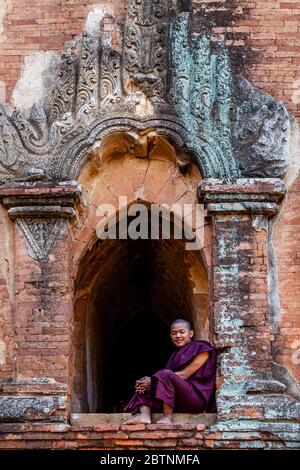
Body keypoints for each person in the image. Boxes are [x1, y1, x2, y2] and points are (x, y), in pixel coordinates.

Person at [123, 318, 217, 424]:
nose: (178, 336)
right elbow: (165, 383)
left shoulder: (201, 347)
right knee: (145, 384)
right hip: (177, 399)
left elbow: (184, 375)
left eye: (182, 332)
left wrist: (153, 379)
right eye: (174, 333)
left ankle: (167, 417)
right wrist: (150, 381)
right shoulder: (174, 355)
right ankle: (144, 416)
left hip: (195, 399)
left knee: (162, 375)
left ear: (191, 333)